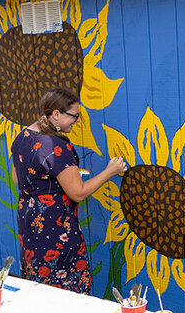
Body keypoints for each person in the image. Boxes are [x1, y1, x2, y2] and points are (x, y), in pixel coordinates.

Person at [11, 87, 126, 294]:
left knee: (39, 280)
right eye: (75, 116)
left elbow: (18, 179)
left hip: (30, 221)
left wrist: (49, 183)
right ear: (56, 114)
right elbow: (78, 192)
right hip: (54, 227)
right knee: (65, 284)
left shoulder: (22, 137)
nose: (77, 121)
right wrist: (111, 171)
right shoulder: (55, 147)